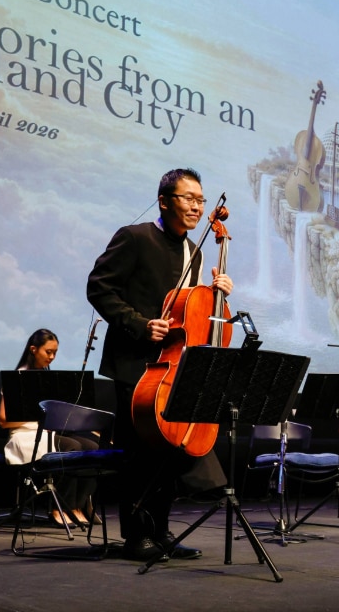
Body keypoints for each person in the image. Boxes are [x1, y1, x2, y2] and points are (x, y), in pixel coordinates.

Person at [86, 167, 232, 561]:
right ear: (164, 201)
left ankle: (162, 532)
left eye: (200, 200)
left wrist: (216, 293)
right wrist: (139, 324)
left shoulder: (195, 251)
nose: (196, 207)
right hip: (135, 364)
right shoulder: (134, 237)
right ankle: (136, 536)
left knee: (169, 451)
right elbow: (99, 287)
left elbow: (192, 313)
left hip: (173, 366)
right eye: (188, 198)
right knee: (138, 452)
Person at [0, 329, 97, 528]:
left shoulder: (49, 379)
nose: (52, 357)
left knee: (93, 448)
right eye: (48, 352)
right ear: (33, 349)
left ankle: (77, 505)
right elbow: (3, 420)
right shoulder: (18, 377)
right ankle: (60, 507)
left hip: (47, 433)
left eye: (55, 353)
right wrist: (38, 418)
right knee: (73, 447)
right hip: (25, 436)